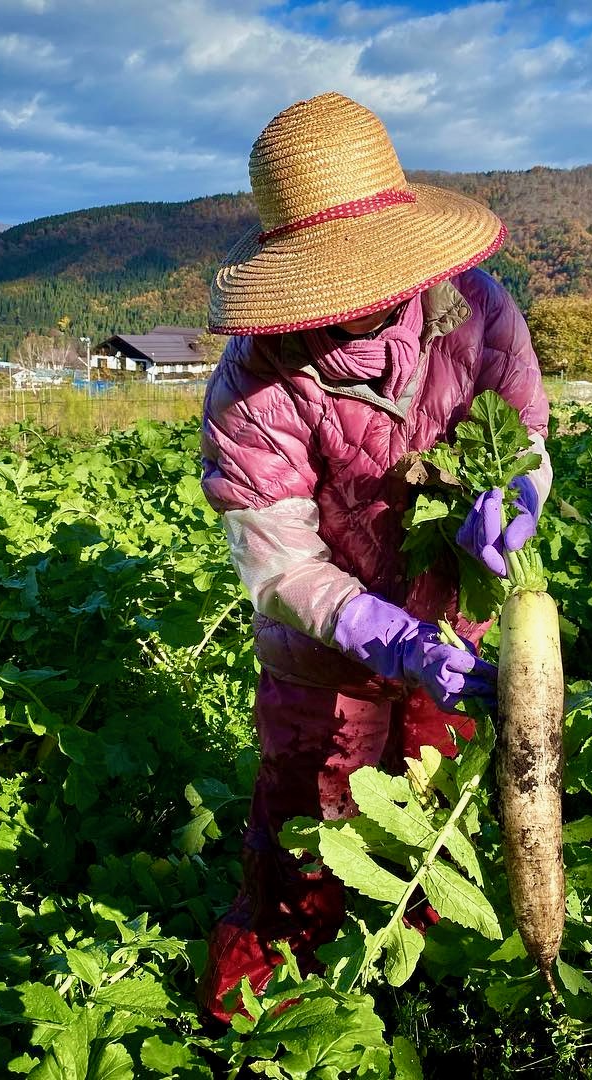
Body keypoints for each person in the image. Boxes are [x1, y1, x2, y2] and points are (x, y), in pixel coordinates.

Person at [197, 92, 552, 1021]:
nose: (359, 301)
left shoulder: (476, 312)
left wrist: (514, 502)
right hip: (324, 654)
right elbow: (277, 556)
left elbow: (526, 433)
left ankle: (411, 1001)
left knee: (438, 824)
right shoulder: (254, 381)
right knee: (309, 838)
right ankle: (260, 1017)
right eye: (333, 286)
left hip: (461, 627)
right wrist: (376, 630)